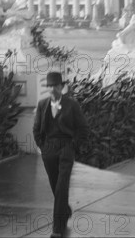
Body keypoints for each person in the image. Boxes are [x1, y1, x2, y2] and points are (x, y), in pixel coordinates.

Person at [33, 72, 90, 238]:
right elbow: (36, 129)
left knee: (61, 187)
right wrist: (42, 147)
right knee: (55, 186)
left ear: (61, 86)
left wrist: (72, 146)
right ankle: (64, 210)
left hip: (66, 148)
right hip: (48, 150)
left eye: (55, 85)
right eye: (49, 86)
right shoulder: (42, 104)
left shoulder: (72, 105)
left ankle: (57, 229)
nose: (52, 89)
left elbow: (83, 129)